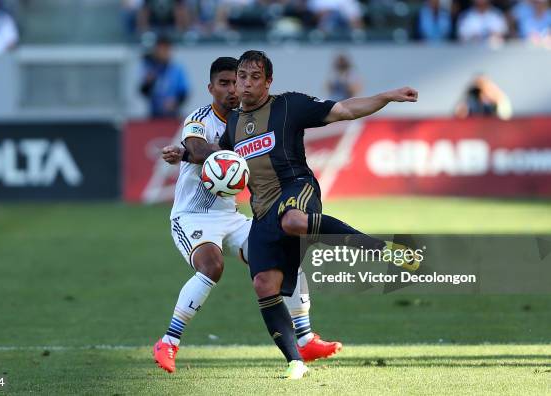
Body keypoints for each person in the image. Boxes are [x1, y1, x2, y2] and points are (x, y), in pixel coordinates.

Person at [166, 50, 419, 379]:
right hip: (261, 209)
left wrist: (386, 96)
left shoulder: (288, 105)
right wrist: (184, 154)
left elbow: (343, 110)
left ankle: (379, 248)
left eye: (254, 77)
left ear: (268, 82)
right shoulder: (232, 123)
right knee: (263, 283)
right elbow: (223, 157)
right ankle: (295, 360)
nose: (245, 84)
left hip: (296, 188)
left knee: (294, 221)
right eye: (242, 77)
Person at [153, 57, 342, 375]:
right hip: (192, 217)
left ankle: (306, 338)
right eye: (224, 83)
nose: (232, 89)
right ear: (211, 87)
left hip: (230, 215)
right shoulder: (200, 118)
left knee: (284, 254)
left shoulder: (248, 120)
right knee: (212, 266)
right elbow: (198, 150)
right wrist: (189, 152)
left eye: (236, 82)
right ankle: (168, 341)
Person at [140, 36, 190, 118]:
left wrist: (175, 102)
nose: (164, 52)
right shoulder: (150, 68)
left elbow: (184, 92)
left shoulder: (177, 68)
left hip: (173, 114)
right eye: (161, 49)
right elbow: (143, 92)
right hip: (154, 114)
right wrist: (148, 82)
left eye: (166, 49)